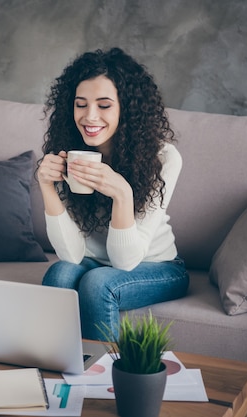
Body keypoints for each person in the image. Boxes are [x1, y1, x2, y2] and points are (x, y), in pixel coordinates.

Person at [36, 47, 189, 341]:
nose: (90, 116)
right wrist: (47, 187)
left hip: (158, 266)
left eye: (104, 105)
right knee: (60, 274)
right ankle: (52, 369)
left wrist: (122, 194)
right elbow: (71, 255)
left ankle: (101, 383)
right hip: (94, 262)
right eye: (81, 104)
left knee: (97, 283)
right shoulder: (70, 153)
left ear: (126, 108)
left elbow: (125, 262)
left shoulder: (164, 158)